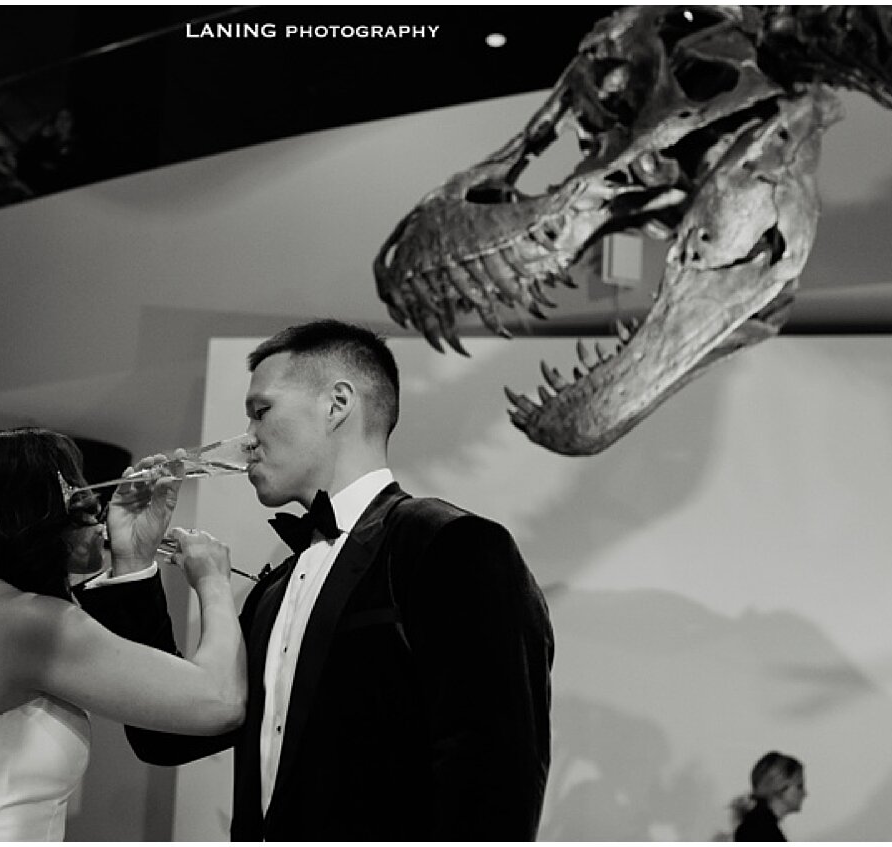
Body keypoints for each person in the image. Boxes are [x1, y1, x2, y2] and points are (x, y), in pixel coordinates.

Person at [83, 319, 555, 840]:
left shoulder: (451, 544)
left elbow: (495, 778)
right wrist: (132, 562)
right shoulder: (272, 592)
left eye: (261, 412)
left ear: (337, 405)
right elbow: (165, 737)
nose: (247, 443)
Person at [0, 427, 246, 841]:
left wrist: (133, 558)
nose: (92, 500)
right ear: (22, 509)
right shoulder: (18, 622)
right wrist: (212, 581)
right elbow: (219, 702)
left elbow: (167, 723)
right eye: (72, 486)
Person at [731, 751, 806, 841]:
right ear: (780, 787)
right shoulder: (761, 832)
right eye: (799, 786)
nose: (805, 793)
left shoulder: (757, 826)